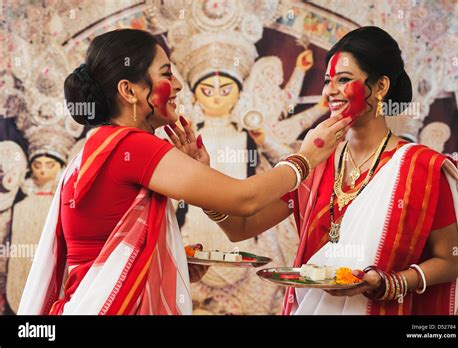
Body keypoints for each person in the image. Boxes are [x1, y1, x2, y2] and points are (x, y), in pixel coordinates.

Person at [18, 29, 350, 315]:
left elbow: (105, 250)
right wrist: (306, 157)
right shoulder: (131, 146)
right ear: (129, 90)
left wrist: (168, 258)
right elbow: (245, 199)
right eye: (166, 74)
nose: (177, 86)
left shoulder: (101, 145)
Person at [201, 26, 458, 315]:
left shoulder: (422, 168)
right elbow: (243, 228)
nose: (331, 91)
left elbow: (449, 260)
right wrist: (201, 184)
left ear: (380, 87)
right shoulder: (314, 161)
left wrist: (390, 283)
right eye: (329, 81)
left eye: (344, 80)